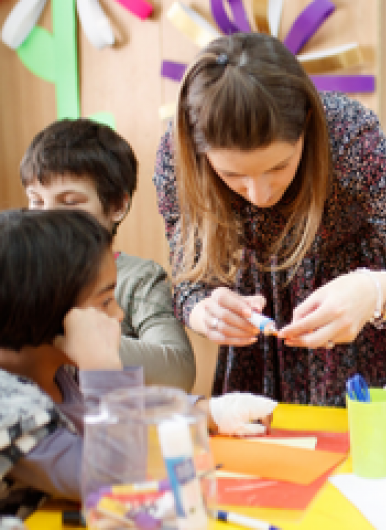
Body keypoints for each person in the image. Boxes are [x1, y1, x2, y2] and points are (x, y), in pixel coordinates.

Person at [153, 32, 386, 405]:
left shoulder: (348, 137)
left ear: (306, 123)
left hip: (361, 337)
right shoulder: (179, 158)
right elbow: (189, 281)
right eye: (234, 176)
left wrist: (374, 292)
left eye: (279, 166)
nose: (260, 195)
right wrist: (203, 312)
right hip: (259, 356)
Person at [0, 210, 276, 520]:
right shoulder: (9, 407)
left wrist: (212, 411)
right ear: (43, 310)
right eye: (106, 301)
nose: (119, 314)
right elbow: (115, 479)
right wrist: (102, 371)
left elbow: (138, 407)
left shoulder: (61, 367)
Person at [21, 119, 195, 391]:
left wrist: (72, 340)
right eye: (37, 201)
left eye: (69, 203)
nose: (47, 217)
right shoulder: (17, 273)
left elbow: (179, 371)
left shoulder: (138, 278)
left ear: (116, 205)